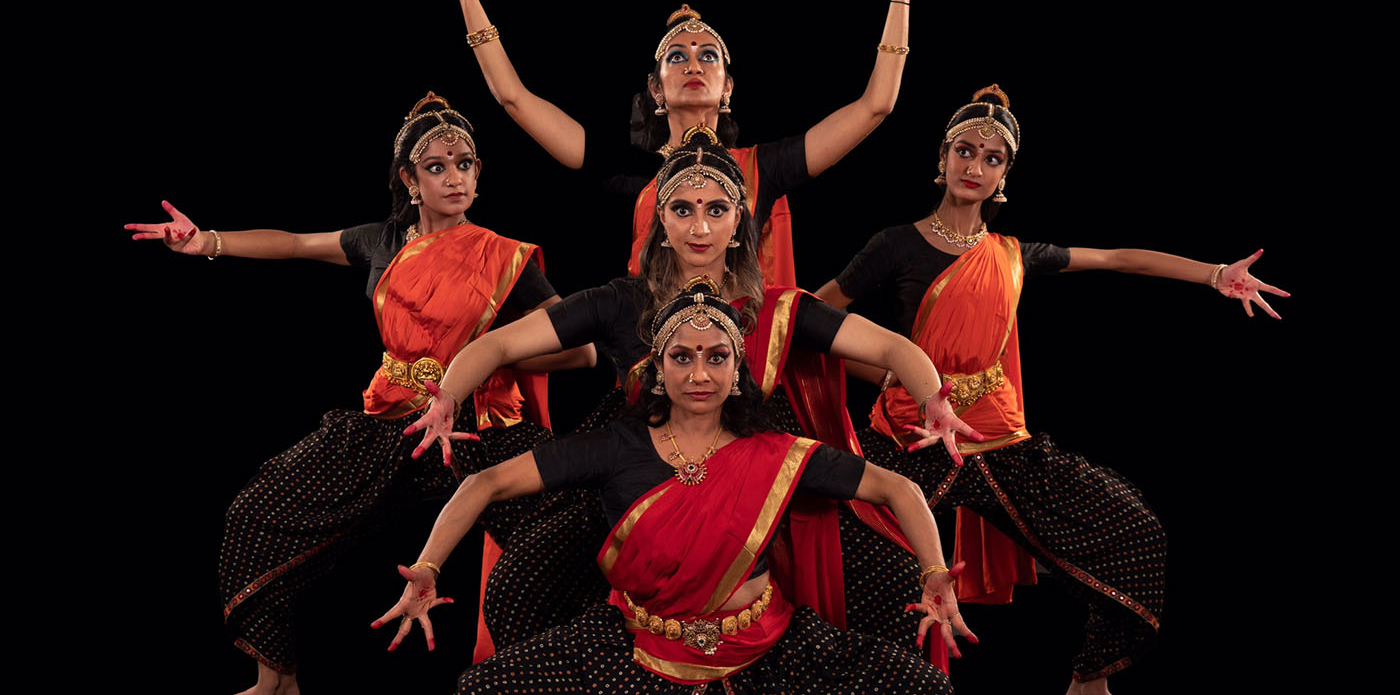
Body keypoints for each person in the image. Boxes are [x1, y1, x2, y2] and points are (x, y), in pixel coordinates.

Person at [398, 127, 981, 657]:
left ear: (738, 225)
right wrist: (448, 394)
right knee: (523, 582)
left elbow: (893, 350)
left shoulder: (778, 309)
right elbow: (498, 346)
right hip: (643, 462)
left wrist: (933, 397)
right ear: (662, 222)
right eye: (683, 209)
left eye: (716, 210)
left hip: (757, 469)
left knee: (889, 582)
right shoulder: (620, 302)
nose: (700, 227)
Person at [814, 85, 1289, 694]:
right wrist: (889, 373)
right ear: (941, 158)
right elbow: (815, 321)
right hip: (910, 439)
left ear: (1005, 175)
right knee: (872, 582)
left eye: (992, 158)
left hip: (996, 437)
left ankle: (1088, 682)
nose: (975, 166)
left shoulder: (1012, 255)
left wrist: (1214, 274)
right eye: (965, 150)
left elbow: (1119, 259)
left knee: (1132, 532)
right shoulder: (895, 245)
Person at [126, 92, 594, 695]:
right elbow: (296, 243)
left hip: (477, 427)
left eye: (465, 164)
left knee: (566, 535)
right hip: (391, 424)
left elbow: (579, 351)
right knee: (255, 513)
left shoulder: (504, 257)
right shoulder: (383, 241)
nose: (455, 177)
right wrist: (205, 241)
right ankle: (277, 682)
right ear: (410, 179)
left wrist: (484, 355)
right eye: (437, 166)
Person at [373, 280, 978, 693]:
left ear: (737, 372)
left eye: (717, 358)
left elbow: (899, 489)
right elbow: (483, 482)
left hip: (765, 652)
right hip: (637, 655)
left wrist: (932, 573)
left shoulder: (778, 454)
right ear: (656, 371)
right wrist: (427, 567)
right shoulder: (616, 447)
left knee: (919, 685)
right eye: (682, 357)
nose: (699, 373)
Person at [387, 0, 980, 284]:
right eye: (677, 56)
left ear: (727, 89)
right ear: (655, 89)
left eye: (708, 56)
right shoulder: (628, 169)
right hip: (655, 362)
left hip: (742, 368)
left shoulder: (761, 168)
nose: (693, 63)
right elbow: (514, 98)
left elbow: (875, 105)